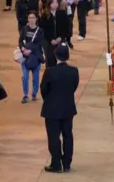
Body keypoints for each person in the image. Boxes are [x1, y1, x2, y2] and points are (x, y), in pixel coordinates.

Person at [40, 43, 78, 173]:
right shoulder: (74, 71)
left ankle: (56, 164)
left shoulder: (50, 72)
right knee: (68, 135)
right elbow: (74, 87)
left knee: (54, 136)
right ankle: (67, 163)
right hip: (68, 108)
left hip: (52, 109)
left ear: (56, 56)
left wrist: (51, 100)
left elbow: (44, 90)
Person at [18, 11, 45, 103]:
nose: (31, 20)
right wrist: (22, 49)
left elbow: (40, 44)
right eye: (29, 18)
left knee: (35, 77)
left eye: (33, 18)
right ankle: (25, 95)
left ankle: (34, 93)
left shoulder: (40, 31)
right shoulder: (24, 29)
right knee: (25, 77)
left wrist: (30, 50)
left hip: (36, 57)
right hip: (25, 57)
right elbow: (20, 41)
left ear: (36, 19)